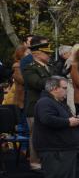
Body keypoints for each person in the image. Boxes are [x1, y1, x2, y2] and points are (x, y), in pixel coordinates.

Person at [35, 76, 79, 178]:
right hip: (53, 148)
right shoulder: (44, 102)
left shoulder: (60, 103)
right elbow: (47, 119)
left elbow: (66, 120)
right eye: (64, 88)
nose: (66, 91)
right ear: (53, 88)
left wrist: (77, 120)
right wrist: (69, 122)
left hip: (67, 148)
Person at [22, 41, 56, 171]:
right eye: (46, 53)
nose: (49, 55)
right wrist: (55, 81)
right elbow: (36, 83)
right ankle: (35, 161)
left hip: (49, 106)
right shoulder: (30, 67)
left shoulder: (50, 67)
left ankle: (46, 160)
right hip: (35, 105)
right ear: (37, 53)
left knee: (48, 134)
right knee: (36, 134)